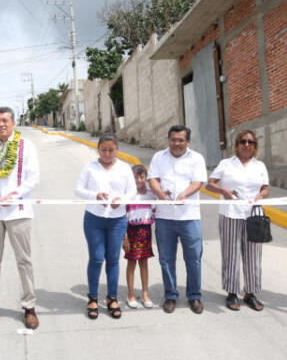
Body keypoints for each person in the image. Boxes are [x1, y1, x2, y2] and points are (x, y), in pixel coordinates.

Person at [0, 106, 40, 330]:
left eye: (5, 120)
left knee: (24, 260)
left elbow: (33, 178)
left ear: (13, 123)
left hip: (18, 211)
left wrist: (14, 195)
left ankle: (29, 306)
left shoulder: (26, 147)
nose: (1, 124)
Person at [207, 130, 269, 311]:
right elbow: (210, 183)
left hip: (254, 217)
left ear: (255, 146)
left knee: (253, 256)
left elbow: (266, 188)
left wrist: (261, 195)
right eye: (243, 141)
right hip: (230, 214)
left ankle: (250, 293)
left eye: (250, 142)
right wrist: (223, 192)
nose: (246, 145)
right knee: (231, 255)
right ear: (237, 144)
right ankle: (232, 292)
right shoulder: (226, 164)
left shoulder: (260, 166)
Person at [76, 133, 136, 320]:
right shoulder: (90, 167)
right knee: (96, 258)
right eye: (104, 150)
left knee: (113, 259)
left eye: (111, 150)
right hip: (94, 219)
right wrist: (95, 196)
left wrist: (123, 200)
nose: (107, 154)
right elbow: (78, 189)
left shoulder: (124, 168)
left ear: (117, 150)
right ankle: (92, 298)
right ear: (98, 149)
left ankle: (112, 298)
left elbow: (132, 191)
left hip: (117, 220)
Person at [148, 125, 207, 314]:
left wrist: (184, 194)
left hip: (189, 216)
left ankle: (194, 296)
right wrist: (158, 192)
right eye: (173, 139)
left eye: (181, 140)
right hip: (165, 217)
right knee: (166, 259)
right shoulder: (159, 157)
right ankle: (171, 295)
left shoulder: (196, 158)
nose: (177, 143)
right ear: (169, 140)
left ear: (187, 141)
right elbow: (153, 179)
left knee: (193, 258)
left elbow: (197, 182)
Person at [122, 165, 155, 309]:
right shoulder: (128, 195)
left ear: (146, 178)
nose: (139, 180)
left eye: (142, 177)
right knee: (131, 263)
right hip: (131, 232)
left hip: (146, 231)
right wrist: (124, 237)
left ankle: (145, 293)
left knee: (144, 263)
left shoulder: (150, 194)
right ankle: (130, 294)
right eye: (135, 177)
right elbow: (122, 216)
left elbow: (156, 209)